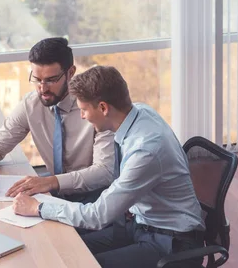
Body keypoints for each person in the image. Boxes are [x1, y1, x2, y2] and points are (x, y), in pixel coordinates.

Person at [12, 66, 205, 267]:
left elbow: (98, 216)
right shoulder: (140, 112)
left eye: (84, 109)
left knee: (79, 263)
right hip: (142, 224)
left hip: (172, 243)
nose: (82, 116)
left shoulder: (146, 150)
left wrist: (39, 208)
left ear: (103, 108)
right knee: (67, 250)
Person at [0, 38, 115, 203]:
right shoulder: (31, 104)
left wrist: (50, 182)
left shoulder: (95, 108)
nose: (43, 88)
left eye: (51, 80)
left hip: (97, 199)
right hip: (54, 195)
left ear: (71, 72)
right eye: (37, 79)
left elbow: (104, 172)